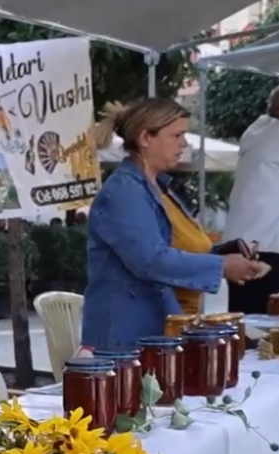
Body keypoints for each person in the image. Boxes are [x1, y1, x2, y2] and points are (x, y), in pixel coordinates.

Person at [83, 99, 266, 349]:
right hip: (124, 335)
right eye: (177, 135)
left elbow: (168, 249)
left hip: (152, 327)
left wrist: (224, 253)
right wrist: (221, 265)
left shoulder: (155, 187)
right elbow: (150, 260)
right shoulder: (125, 192)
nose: (184, 144)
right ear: (145, 137)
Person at [224, 81, 279, 314]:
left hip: (244, 245)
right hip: (269, 250)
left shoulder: (259, 130)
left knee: (246, 322)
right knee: (269, 328)